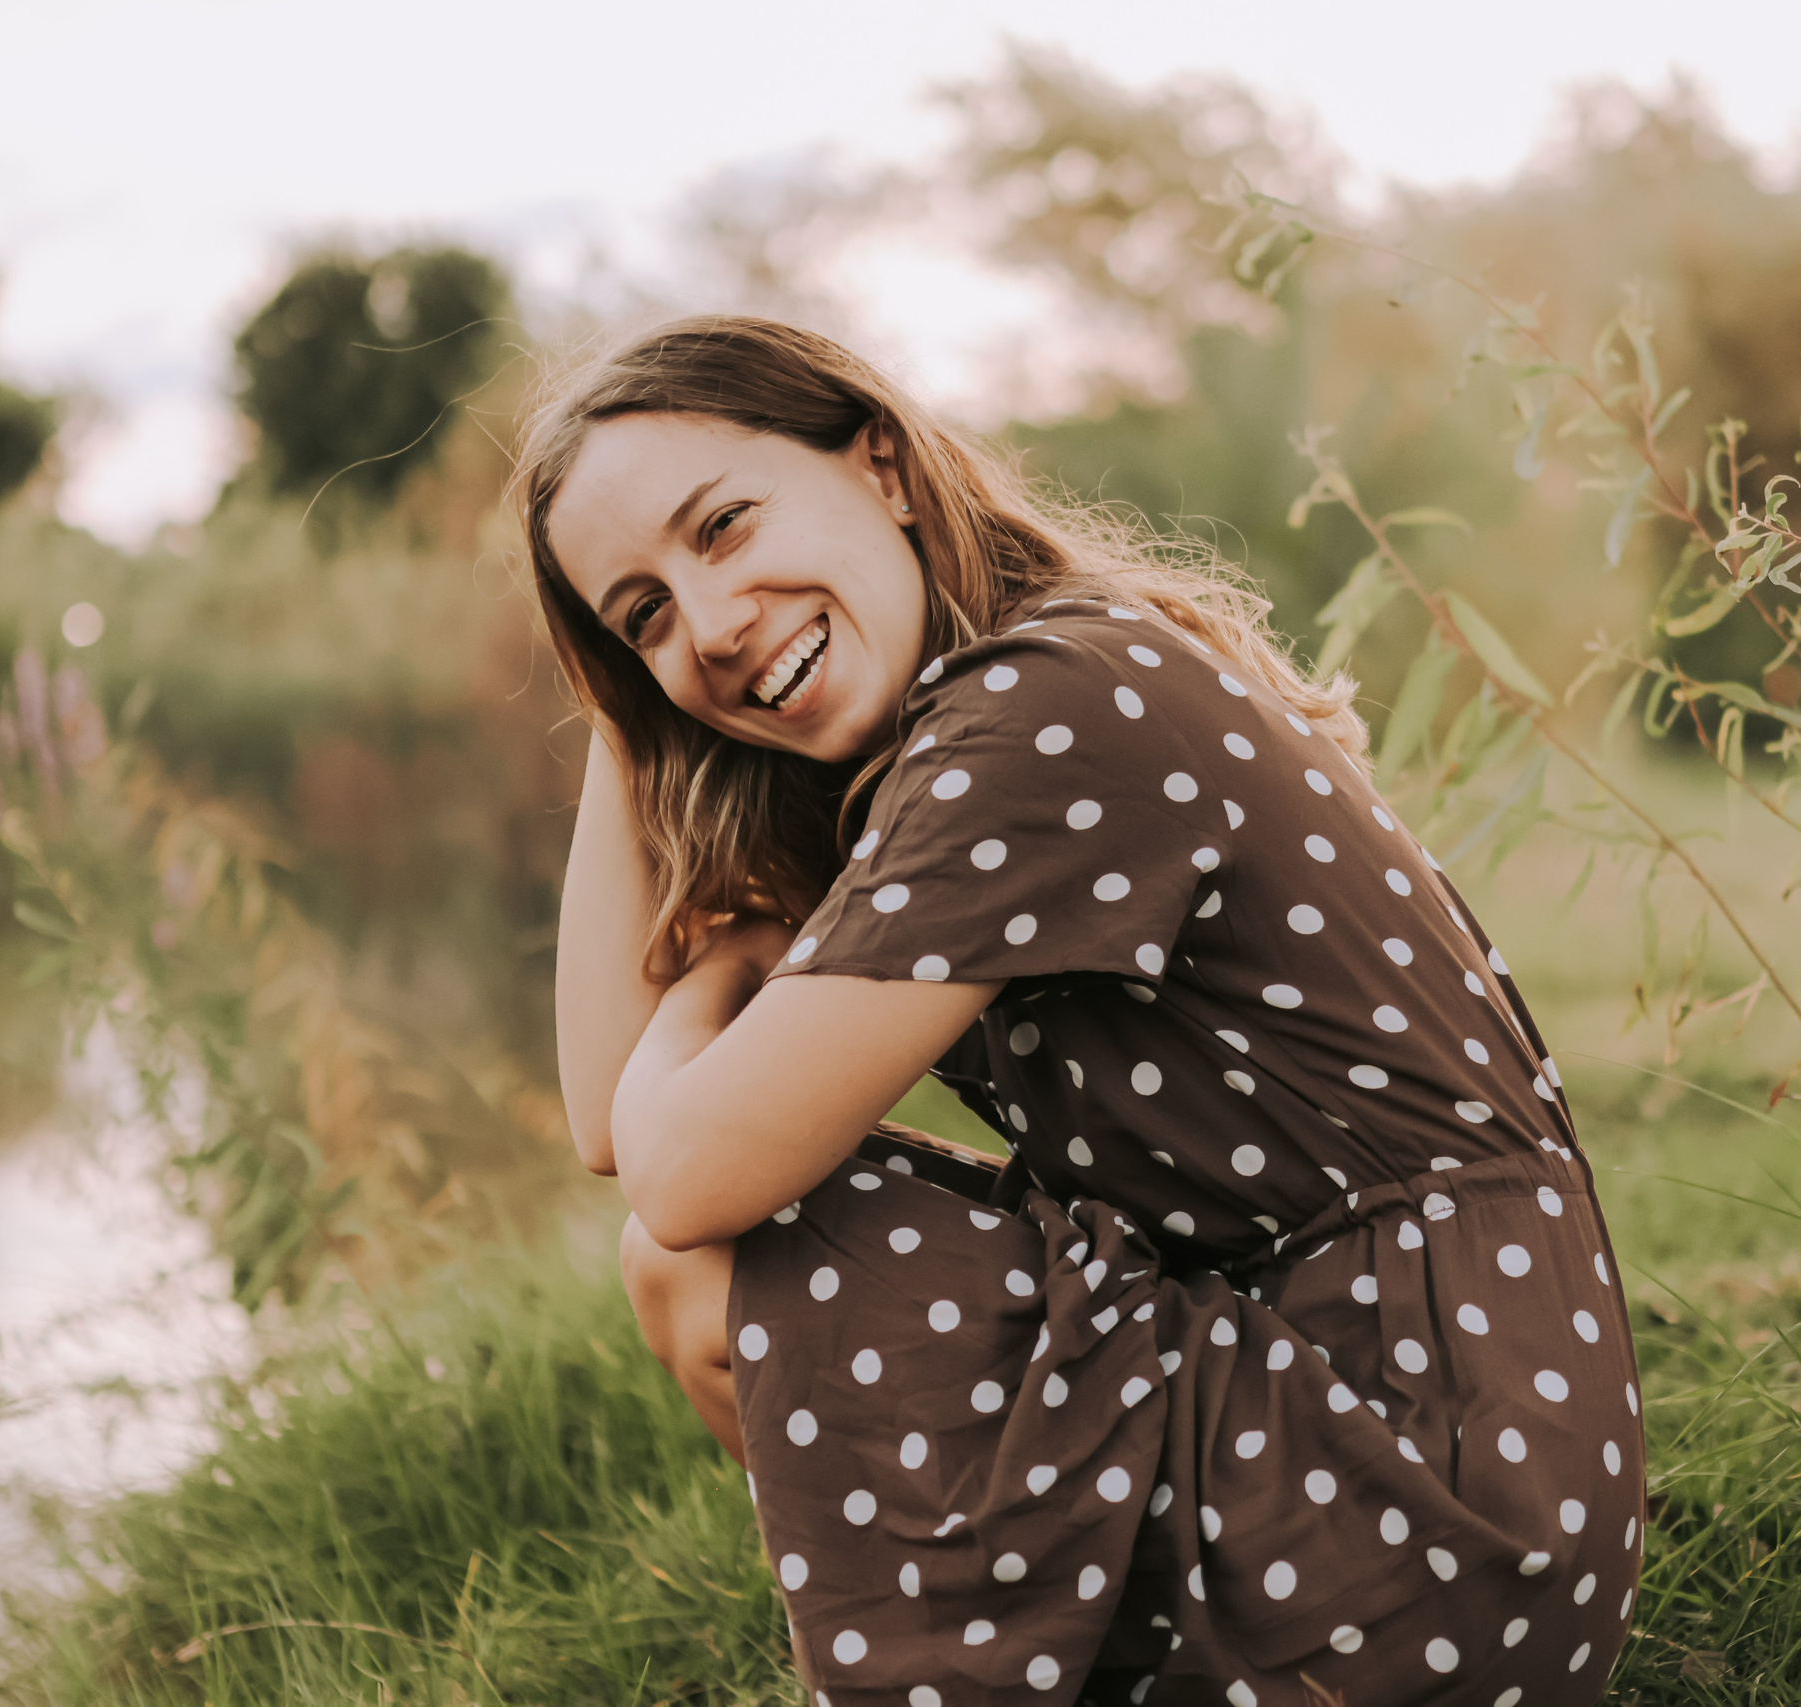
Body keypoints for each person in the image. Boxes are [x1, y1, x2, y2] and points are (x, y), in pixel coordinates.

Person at [520, 316, 1644, 1707]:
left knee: (708, 1259)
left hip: (1432, 1471)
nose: (713, 623)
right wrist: (634, 718)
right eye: (644, 616)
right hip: (1424, 1424)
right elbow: (605, 1113)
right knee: (695, 1246)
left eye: (726, 529)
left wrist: (736, 965)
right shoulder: (994, 707)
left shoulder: (1046, 715)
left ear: (879, 462)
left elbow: (682, 1175)